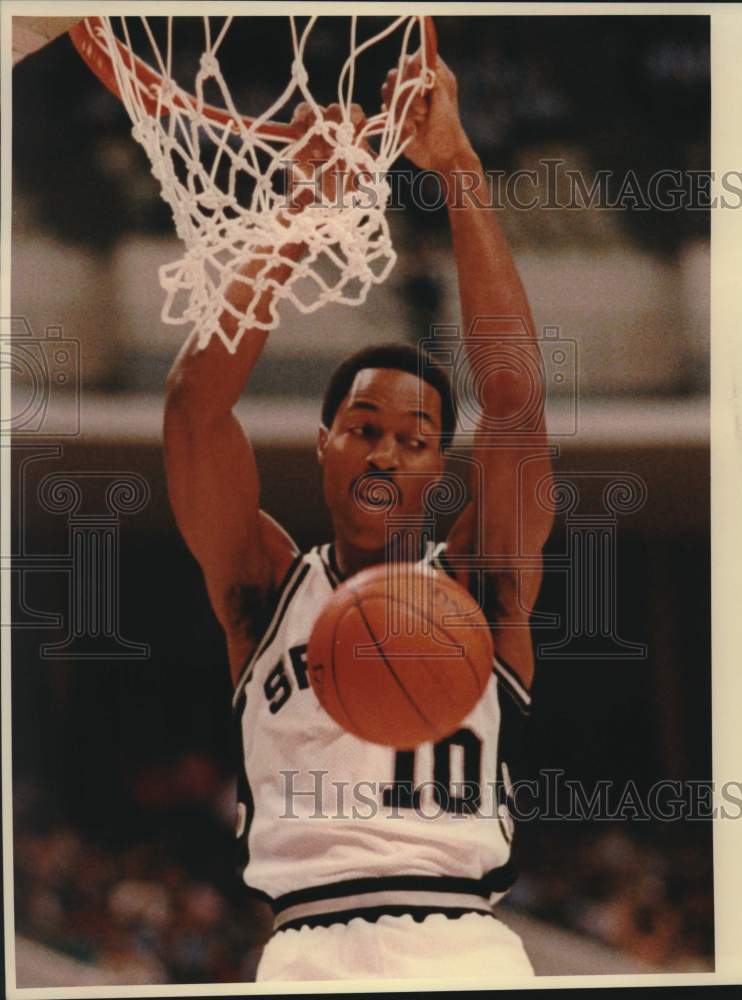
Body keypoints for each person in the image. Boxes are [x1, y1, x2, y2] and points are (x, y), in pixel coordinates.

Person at [163, 53, 554, 982]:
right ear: (324, 446)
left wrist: (457, 169)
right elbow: (194, 413)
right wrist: (301, 212)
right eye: (362, 428)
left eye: (414, 438)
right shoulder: (262, 584)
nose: (385, 450)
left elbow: (517, 406)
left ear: (438, 469)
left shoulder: (478, 582)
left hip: (463, 942)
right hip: (303, 950)